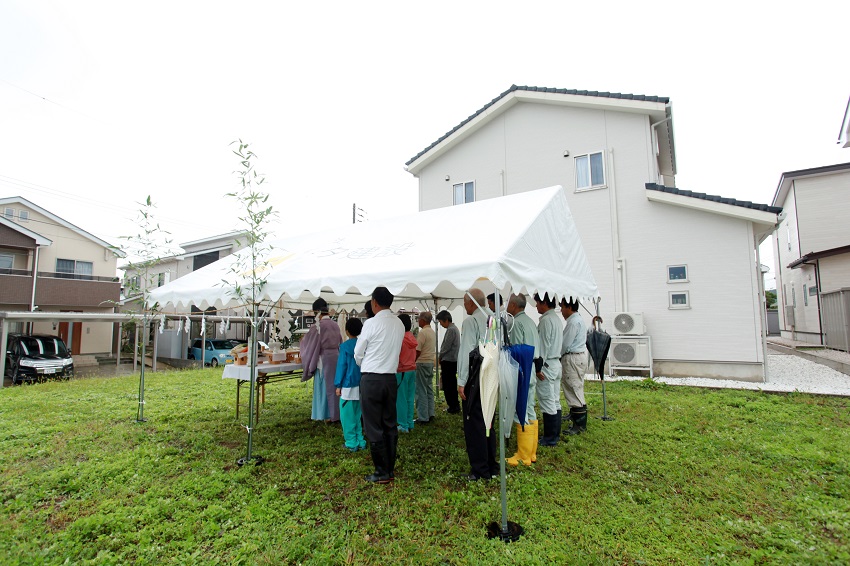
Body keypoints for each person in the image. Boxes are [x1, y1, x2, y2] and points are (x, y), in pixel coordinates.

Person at [354, 287, 404, 484]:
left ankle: (381, 471)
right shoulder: (399, 323)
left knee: (373, 425)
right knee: (389, 423)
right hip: (390, 379)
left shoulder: (371, 323)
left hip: (372, 378)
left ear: (374, 302)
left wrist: (363, 363)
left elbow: (359, 352)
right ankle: (389, 469)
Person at [457, 288, 496, 481]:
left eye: (465, 304)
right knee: (489, 421)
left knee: (475, 424)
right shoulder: (494, 319)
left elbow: (466, 352)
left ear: (472, 303)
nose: (465, 308)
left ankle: (480, 470)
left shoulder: (471, 321)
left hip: (475, 377)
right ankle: (491, 465)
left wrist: (462, 381)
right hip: (493, 376)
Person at [505, 293, 539, 466]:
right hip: (532, 368)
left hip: (522, 370)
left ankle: (523, 455)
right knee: (530, 409)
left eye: (507, 304)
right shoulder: (531, 322)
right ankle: (532, 452)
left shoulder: (517, 323)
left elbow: (517, 351)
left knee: (521, 409)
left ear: (513, 305)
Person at [300, 298, 343, 423]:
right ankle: (336, 414)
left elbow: (309, 345)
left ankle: (325, 414)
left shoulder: (318, 326)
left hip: (323, 359)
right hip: (336, 356)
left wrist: (303, 341)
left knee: (324, 387)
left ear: (317, 312)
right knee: (334, 385)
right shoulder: (335, 325)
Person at [534, 292, 563, 447]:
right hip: (556, 363)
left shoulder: (546, 321)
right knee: (555, 401)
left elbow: (543, 347)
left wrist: (538, 368)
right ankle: (555, 434)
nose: (536, 306)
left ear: (544, 302)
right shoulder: (556, 319)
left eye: (538, 303)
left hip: (547, 365)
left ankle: (550, 437)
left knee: (547, 401)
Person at [335, 318, 367, 452]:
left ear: (346, 331)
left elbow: (341, 366)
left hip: (348, 386)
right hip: (361, 384)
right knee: (357, 415)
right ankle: (360, 440)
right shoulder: (363, 345)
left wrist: (338, 385)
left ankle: (351, 443)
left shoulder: (345, 347)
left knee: (347, 417)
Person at [560, 297, 589, 435]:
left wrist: (556, 355)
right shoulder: (577, 319)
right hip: (579, 356)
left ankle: (579, 424)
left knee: (573, 387)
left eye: (562, 307)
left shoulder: (573, 322)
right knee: (576, 386)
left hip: (573, 357)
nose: (561, 310)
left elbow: (565, 344)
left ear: (569, 307)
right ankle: (575, 414)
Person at [396, 314, 417, 433]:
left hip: (402, 371)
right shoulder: (411, 337)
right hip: (411, 370)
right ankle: (409, 423)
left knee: (401, 399)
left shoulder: (401, 339)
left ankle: (403, 425)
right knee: (409, 398)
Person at [436, 310, 460, 414]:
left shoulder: (451, 330)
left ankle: (453, 406)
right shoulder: (454, 329)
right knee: (451, 384)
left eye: (441, 322)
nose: (440, 324)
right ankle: (454, 405)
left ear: (446, 320)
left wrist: (440, 356)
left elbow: (446, 346)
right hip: (452, 360)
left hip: (449, 360)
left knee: (448, 385)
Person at [415, 311, 436, 424]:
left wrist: (413, 361)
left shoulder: (422, 332)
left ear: (423, 320)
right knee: (428, 389)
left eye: (419, 319)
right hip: (429, 362)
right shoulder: (432, 331)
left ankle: (423, 417)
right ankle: (430, 413)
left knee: (420, 390)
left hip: (421, 362)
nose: (418, 320)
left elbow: (418, 350)